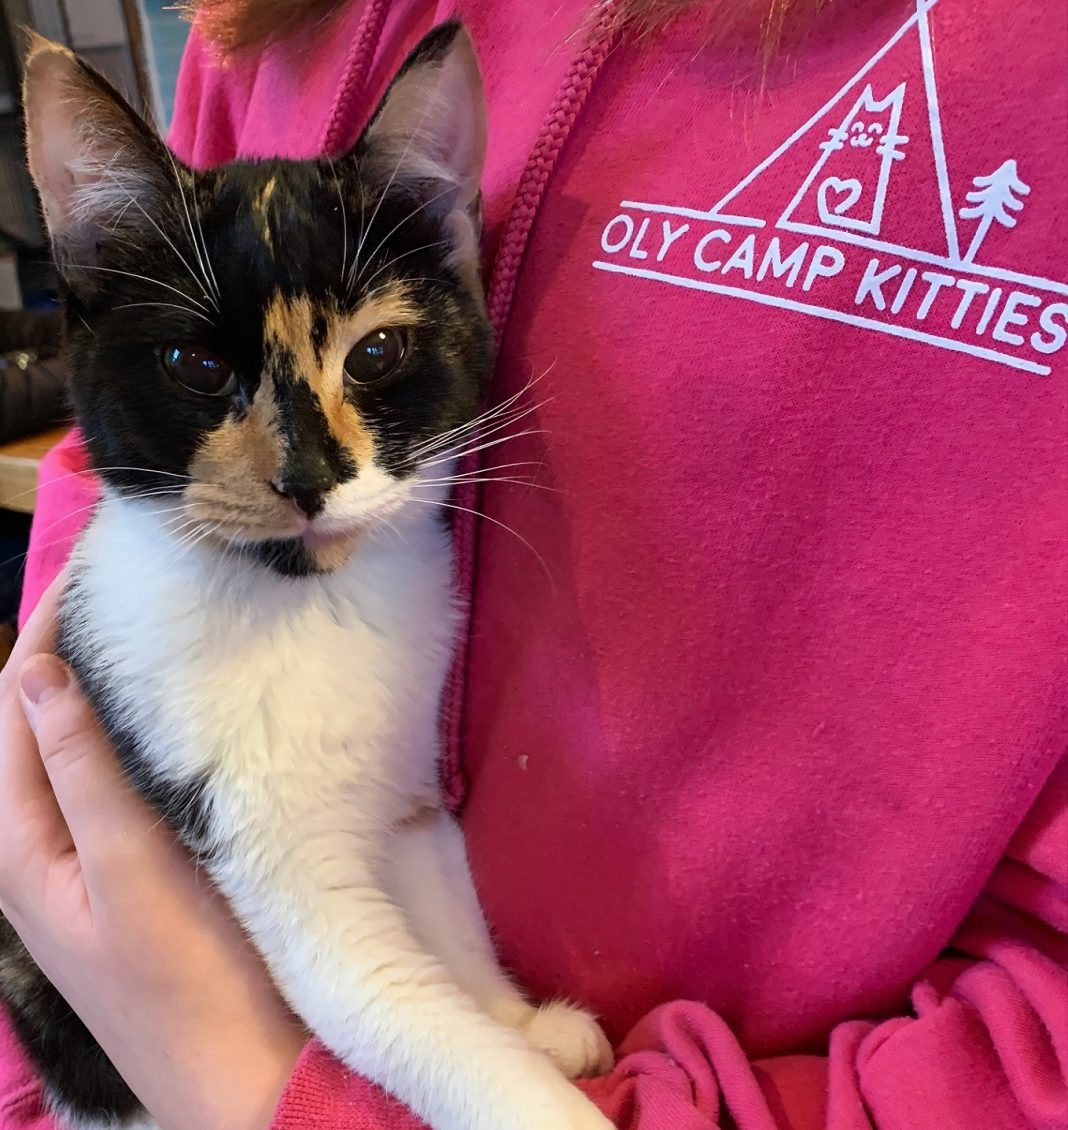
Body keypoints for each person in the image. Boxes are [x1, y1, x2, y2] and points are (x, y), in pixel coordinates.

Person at [0, 0, 1065, 1126]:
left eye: (375, 359)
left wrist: (272, 1082)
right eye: (207, 377)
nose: (300, 473)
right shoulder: (275, 19)